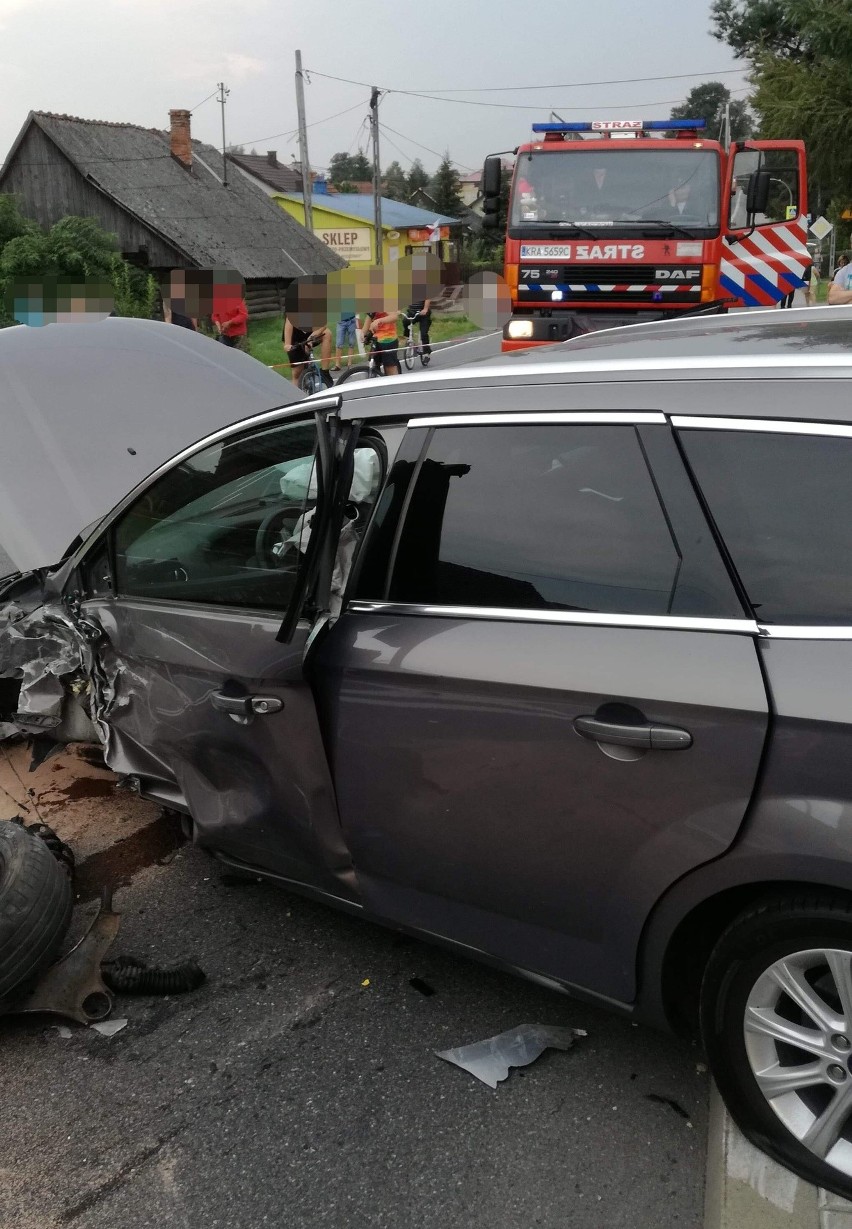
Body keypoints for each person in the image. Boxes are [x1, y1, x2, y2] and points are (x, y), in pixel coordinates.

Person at [282, 317, 333, 388]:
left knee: (327, 334)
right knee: (297, 373)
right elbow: (289, 322)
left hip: (311, 332)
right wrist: (287, 344)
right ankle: (297, 395)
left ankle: (324, 372)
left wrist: (311, 338)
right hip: (295, 337)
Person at [363, 309, 400, 376]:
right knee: (372, 365)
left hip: (388, 339)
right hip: (376, 339)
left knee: (389, 368)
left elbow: (394, 316)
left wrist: (379, 320)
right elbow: (369, 317)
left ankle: (395, 384)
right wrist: (363, 334)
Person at [403, 293, 432, 364]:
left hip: (423, 313)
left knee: (424, 334)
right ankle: (410, 339)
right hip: (412, 312)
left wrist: (425, 309)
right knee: (405, 321)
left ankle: (426, 353)